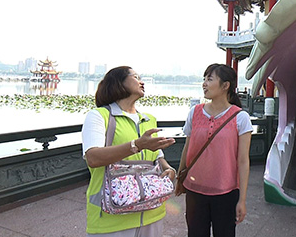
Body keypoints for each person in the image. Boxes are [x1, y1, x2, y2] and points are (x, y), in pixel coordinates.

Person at [81, 66, 176, 236]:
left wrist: (168, 168)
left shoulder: (148, 119)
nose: (142, 81)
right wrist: (137, 145)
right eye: (135, 76)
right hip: (112, 217)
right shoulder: (99, 116)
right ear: (119, 82)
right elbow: (93, 158)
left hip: (152, 212)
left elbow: (158, 157)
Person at [176, 64, 252, 237]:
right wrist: (181, 176)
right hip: (194, 191)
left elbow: (243, 160)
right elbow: (187, 148)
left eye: (209, 79)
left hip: (226, 192)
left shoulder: (241, 118)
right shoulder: (194, 113)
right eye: (204, 79)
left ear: (225, 86)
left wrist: (242, 199)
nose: (204, 84)